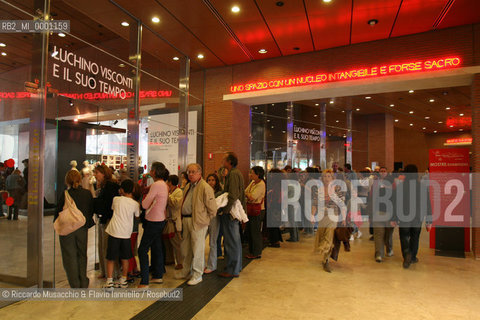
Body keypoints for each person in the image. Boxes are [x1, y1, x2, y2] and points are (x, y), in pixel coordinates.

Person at [176, 164, 217, 285]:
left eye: (193, 172)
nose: (190, 174)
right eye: (189, 172)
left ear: (200, 173)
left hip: (198, 222)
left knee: (197, 249)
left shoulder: (205, 187)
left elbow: (212, 209)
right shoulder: (189, 186)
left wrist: (205, 220)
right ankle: (186, 271)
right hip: (187, 220)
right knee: (186, 248)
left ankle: (197, 274)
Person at [54, 170, 94, 288]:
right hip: (82, 228)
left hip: (68, 229)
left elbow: (58, 212)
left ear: (67, 181)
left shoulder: (65, 194)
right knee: (82, 254)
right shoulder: (87, 194)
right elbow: (90, 210)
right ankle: (83, 281)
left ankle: (74, 283)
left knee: (69, 256)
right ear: (80, 179)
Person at [391, 164, 432, 269]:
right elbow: (427, 203)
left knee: (404, 236)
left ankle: (406, 255)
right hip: (417, 217)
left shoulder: (401, 186)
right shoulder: (422, 187)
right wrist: (429, 220)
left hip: (403, 216)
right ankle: (413, 256)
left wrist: (394, 218)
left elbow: (395, 203)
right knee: (415, 237)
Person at [104, 179, 140, 288]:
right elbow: (137, 216)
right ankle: (123, 279)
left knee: (111, 257)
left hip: (114, 231)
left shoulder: (116, 199)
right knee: (125, 257)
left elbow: (113, 209)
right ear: (133, 190)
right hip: (126, 233)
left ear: (122, 190)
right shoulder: (135, 204)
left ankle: (109, 280)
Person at [138, 162, 169, 288]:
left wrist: (143, 201)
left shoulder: (156, 185)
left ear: (155, 172)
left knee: (142, 250)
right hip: (160, 219)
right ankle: (158, 275)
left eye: (151, 170)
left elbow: (145, 204)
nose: (150, 172)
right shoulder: (164, 185)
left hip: (153, 220)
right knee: (156, 247)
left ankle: (144, 281)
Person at [313, 169, 347, 273]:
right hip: (322, 216)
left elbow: (342, 205)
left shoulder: (337, 189)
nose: (327, 179)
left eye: (329, 176)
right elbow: (314, 204)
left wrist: (344, 218)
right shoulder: (319, 190)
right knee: (322, 236)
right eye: (325, 176)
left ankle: (326, 260)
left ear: (333, 178)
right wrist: (312, 215)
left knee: (329, 237)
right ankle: (325, 257)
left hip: (334, 216)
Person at [218, 152, 245, 278]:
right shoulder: (233, 173)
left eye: (224, 160)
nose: (222, 161)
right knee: (235, 241)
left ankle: (232, 269)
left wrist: (225, 210)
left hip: (231, 213)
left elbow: (233, 195)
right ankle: (236, 267)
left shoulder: (233, 174)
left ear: (229, 161)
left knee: (231, 242)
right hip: (233, 212)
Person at [93, 164, 120, 279]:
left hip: (108, 219)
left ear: (103, 174)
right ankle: (104, 272)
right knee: (102, 245)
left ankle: (112, 273)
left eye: (97, 173)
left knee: (107, 247)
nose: (95, 175)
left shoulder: (110, 186)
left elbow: (109, 204)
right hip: (103, 218)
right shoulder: (103, 186)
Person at [368, 167, 395, 262]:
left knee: (388, 234)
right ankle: (378, 254)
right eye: (381, 171)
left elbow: (396, 199)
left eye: (384, 171)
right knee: (378, 234)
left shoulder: (393, 183)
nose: (383, 173)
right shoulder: (375, 184)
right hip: (377, 212)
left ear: (387, 172)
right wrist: (370, 214)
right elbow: (370, 199)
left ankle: (389, 248)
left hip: (389, 213)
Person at [245, 166, 266, 259]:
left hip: (258, 210)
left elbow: (252, 197)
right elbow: (245, 191)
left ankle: (256, 252)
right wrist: (248, 194)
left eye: (252, 173)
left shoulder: (261, 184)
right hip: (250, 209)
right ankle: (252, 251)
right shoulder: (253, 183)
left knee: (255, 232)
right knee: (250, 230)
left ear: (258, 174)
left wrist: (248, 195)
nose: (250, 175)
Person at [205, 173, 224, 273]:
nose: (211, 182)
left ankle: (212, 265)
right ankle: (202, 264)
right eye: (209, 180)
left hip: (214, 218)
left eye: (213, 180)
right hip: (204, 218)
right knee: (200, 241)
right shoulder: (204, 190)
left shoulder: (219, 193)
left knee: (213, 242)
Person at [165, 174, 184, 270]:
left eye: (167, 182)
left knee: (177, 243)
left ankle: (180, 262)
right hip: (168, 220)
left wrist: (168, 196)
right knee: (168, 242)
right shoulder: (170, 191)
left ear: (170, 182)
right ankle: (170, 259)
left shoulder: (179, 192)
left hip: (175, 221)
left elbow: (176, 204)